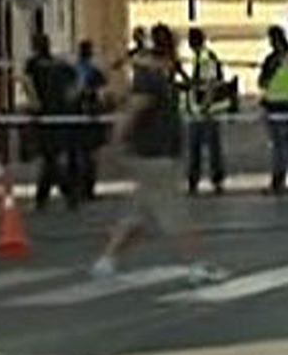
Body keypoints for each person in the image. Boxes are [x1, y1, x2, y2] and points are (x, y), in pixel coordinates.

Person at [90, 24, 227, 285]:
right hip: (154, 155)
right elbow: (133, 111)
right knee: (174, 213)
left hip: (157, 153)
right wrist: (114, 143)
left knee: (139, 214)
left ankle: (106, 261)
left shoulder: (158, 76)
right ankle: (196, 265)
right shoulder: (150, 80)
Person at [23, 33, 81, 211]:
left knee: (50, 157)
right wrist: (69, 100)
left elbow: (28, 85)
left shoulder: (32, 65)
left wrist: (34, 105)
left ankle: (64, 194)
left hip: (44, 115)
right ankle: (52, 196)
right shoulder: (60, 63)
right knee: (52, 156)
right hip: (62, 114)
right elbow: (77, 82)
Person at [258, 26, 288, 195]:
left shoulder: (272, 60)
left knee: (278, 147)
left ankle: (278, 181)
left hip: (276, 107)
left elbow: (263, 82)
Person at [186, 28, 227, 196]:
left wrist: (204, 107)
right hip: (199, 111)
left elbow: (210, 85)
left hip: (206, 111)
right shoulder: (199, 58)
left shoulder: (205, 58)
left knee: (207, 148)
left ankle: (213, 179)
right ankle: (197, 180)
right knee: (198, 148)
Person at [74, 39, 109, 200]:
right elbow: (102, 94)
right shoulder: (93, 71)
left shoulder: (74, 70)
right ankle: (88, 188)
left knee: (80, 153)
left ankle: (79, 186)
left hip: (76, 115)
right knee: (91, 155)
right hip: (91, 115)